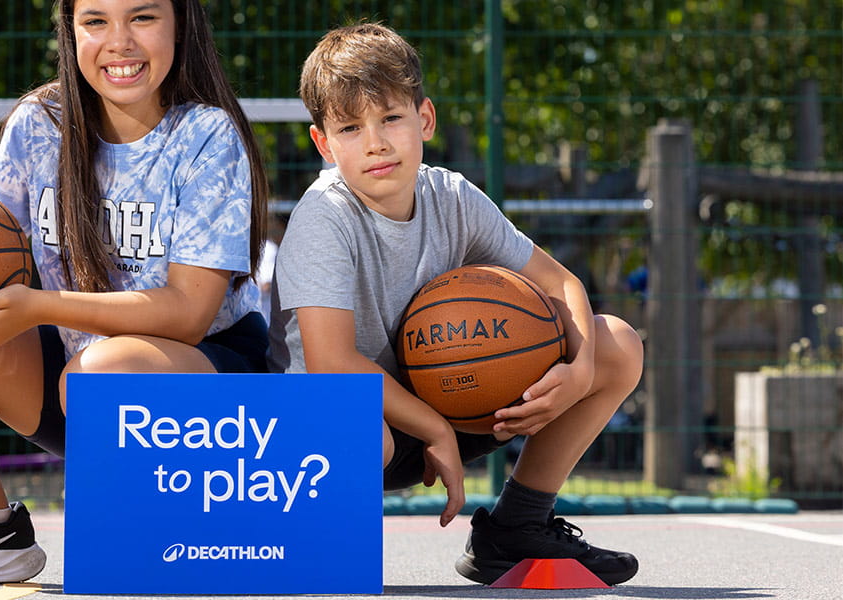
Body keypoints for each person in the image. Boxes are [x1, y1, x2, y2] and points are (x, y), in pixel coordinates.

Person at [0, 0, 269, 584]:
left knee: (103, 368)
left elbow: (190, 313)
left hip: (200, 384)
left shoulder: (206, 135)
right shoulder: (38, 124)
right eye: (95, 21)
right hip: (76, 379)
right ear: (70, 31)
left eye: (142, 18)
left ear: (181, 24)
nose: (119, 41)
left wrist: (38, 308)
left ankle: (182, 526)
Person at [268, 23, 644, 586]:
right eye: (350, 127)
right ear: (324, 144)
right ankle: (293, 536)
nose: (375, 142)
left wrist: (579, 370)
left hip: (446, 398)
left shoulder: (451, 196)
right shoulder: (324, 217)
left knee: (616, 342)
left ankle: (517, 526)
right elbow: (332, 363)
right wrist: (436, 431)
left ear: (425, 118)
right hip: (334, 423)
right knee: (355, 423)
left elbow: (563, 284)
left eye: (390, 118)